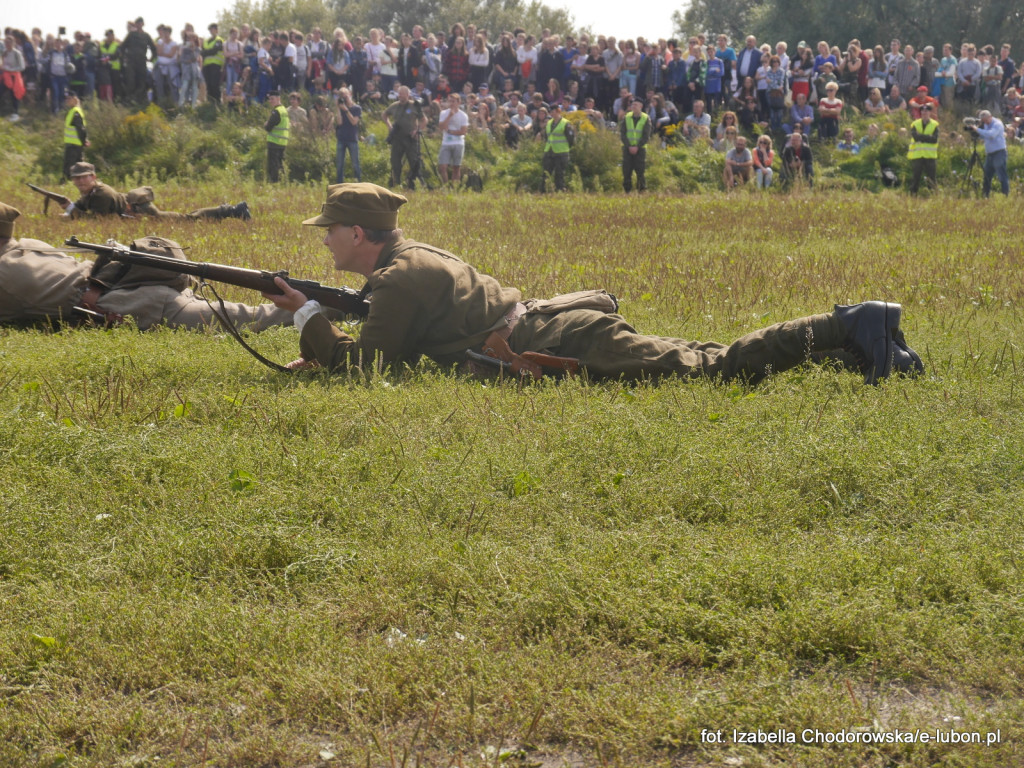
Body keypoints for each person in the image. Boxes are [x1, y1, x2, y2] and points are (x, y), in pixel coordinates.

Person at [259, 183, 922, 386]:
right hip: (556, 329)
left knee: (712, 368)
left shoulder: (400, 279)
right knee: (701, 354)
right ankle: (857, 349)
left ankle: (852, 322)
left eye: (331, 229)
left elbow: (369, 368)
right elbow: (383, 353)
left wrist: (304, 315)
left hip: (561, 337)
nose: (324, 239)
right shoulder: (409, 263)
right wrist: (318, 329)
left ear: (359, 234)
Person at [0, 203, 287, 330]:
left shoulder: (4, 273)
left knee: (254, 319)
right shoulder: (28, 243)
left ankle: (325, 305)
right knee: (243, 315)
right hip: (124, 275)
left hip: (130, 299)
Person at [59, 162, 250, 220]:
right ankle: (229, 211)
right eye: (77, 178)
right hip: (135, 212)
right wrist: (70, 207)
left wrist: (71, 212)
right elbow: (83, 206)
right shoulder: (90, 193)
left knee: (187, 220)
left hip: (142, 212)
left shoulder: (102, 193)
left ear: (93, 177)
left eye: (85, 177)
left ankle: (230, 210)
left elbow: (98, 221)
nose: (81, 181)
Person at [383, 85, 427, 190]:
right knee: (395, 162)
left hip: (411, 138)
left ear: (408, 95)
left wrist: (417, 130)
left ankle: (416, 184)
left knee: (414, 162)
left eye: (402, 94)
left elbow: (424, 120)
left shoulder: (414, 106)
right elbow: (384, 115)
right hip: (397, 138)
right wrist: (389, 126)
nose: (400, 96)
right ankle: (396, 184)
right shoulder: (394, 106)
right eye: (399, 94)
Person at [971, 110, 1010, 197]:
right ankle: (985, 195)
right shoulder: (985, 124)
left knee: (1001, 175)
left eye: (986, 120)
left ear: (990, 116)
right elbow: (985, 135)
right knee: (987, 175)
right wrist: (975, 133)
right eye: (983, 121)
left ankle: (1005, 195)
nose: (985, 122)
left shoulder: (997, 124)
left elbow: (991, 135)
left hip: (999, 152)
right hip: (990, 154)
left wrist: (977, 129)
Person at [620, 97, 651, 193]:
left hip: (640, 149)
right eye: (632, 104)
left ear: (641, 106)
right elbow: (623, 133)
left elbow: (646, 135)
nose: (633, 106)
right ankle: (627, 191)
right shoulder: (627, 117)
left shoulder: (646, 118)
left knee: (640, 171)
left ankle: (641, 190)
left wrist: (637, 146)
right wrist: (629, 145)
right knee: (626, 170)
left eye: (636, 105)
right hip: (627, 148)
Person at [437, 93, 469, 185]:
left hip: (458, 143)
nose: (451, 103)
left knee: (456, 167)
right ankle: (446, 185)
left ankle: (454, 188)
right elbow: (441, 127)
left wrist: (450, 131)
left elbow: (463, 131)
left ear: (458, 102)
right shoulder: (443, 113)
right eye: (449, 101)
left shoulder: (463, 115)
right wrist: (449, 116)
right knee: (442, 166)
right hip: (446, 143)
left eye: (453, 101)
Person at [542, 102, 573, 192]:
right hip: (549, 151)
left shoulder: (566, 123)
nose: (552, 114)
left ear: (558, 111)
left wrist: (566, 148)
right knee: (546, 173)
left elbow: (571, 138)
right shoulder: (549, 123)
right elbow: (547, 137)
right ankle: (543, 191)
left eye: (553, 111)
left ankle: (560, 191)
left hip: (561, 152)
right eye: (550, 112)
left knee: (559, 174)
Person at [907, 104, 938, 194]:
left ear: (930, 112)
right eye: (923, 111)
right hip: (917, 155)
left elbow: (934, 139)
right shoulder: (915, 124)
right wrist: (928, 136)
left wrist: (921, 136)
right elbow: (915, 137)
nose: (925, 113)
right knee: (915, 177)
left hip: (930, 156)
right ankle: (913, 195)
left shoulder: (935, 124)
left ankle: (932, 195)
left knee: (931, 177)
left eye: (927, 111)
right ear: (920, 112)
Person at [333, 88, 361, 183]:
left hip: (352, 139)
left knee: (355, 163)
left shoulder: (356, 108)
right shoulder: (341, 108)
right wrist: (338, 108)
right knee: (340, 164)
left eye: (346, 96)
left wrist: (346, 110)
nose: (344, 98)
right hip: (341, 138)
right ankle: (339, 183)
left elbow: (354, 122)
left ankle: (358, 182)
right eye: (342, 96)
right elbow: (339, 122)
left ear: (350, 94)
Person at [263, 90, 289, 182]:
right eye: (269, 99)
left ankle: (274, 183)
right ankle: (283, 181)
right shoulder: (284, 110)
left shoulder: (276, 112)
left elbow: (268, 127)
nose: (270, 101)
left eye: (272, 99)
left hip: (274, 141)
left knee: (273, 165)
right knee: (280, 164)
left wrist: (266, 124)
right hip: (283, 142)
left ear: (278, 98)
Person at [62, 92, 88, 179]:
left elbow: (80, 129)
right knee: (77, 167)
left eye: (69, 98)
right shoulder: (73, 111)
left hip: (74, 145)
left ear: (75, 99)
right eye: (66, 99)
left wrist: (84, 141)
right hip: (73, 144)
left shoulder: (76, 112)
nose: (67, 101)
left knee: (71, 167)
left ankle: (67, 182)